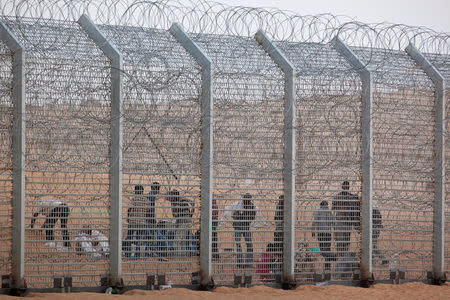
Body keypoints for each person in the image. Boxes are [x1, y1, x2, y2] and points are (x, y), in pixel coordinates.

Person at [221, 193, 266, 268]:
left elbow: (254, 216)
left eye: (247, 201)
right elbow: (230, 213)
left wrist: (247, 220)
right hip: (238, 226)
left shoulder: (253, 207)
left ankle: (248, 262)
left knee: (249, 244)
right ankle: (240, 262)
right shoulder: (237, 205)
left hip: (246, 226)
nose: (246, 202)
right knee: (238, 244)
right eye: (245, 200)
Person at [332, 181, 360, 255]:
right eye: (345, 186)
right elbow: (333, 208)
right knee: (339, 239)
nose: (346, 188)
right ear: (342, 187)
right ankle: (340, 255)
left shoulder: (352, 197)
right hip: (340, 221)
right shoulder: (337, 197)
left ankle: (344, 255)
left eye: (347, 186)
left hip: (348, 221)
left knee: (346, 239)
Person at [166, 190, 195, 256]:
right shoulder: (177, 201)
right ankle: (182, 256)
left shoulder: (179, 201)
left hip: (183, 222)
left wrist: (190, 215)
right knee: (182, 241)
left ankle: (178, 256)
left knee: (177, 240)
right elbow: (176, 215)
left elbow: (192, 203)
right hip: (183, 222)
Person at [123, 184, 149, 259]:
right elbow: (148, 211)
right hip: (142, 223)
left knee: (129, 238)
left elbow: (129, 209)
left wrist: (128, 217)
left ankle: (128, 254)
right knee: (139, 239)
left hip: (133, 222)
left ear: (136, 191)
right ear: (142, 191)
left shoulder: (134, 199)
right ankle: (137, 255)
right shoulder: (146, 200)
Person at [312, 200, 335, 270]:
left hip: (321, 234)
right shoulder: (329, 212)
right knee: (327, 250)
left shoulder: (318, 211)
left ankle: (333, 257)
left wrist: (313, 230)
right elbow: (333, 222)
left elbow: (315, 221)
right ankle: (328, 267)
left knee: (323, 250)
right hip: (328, 234)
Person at [145, 182, 160, 255]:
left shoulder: (151, 195)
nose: (159, 190)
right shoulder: (151, 196)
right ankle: (149, 252)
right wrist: (152, 218)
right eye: (158, 188)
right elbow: (149, 208)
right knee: (150, 236)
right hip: (149, 219)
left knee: (149, 236)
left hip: (149, 218)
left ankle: (149, 252)